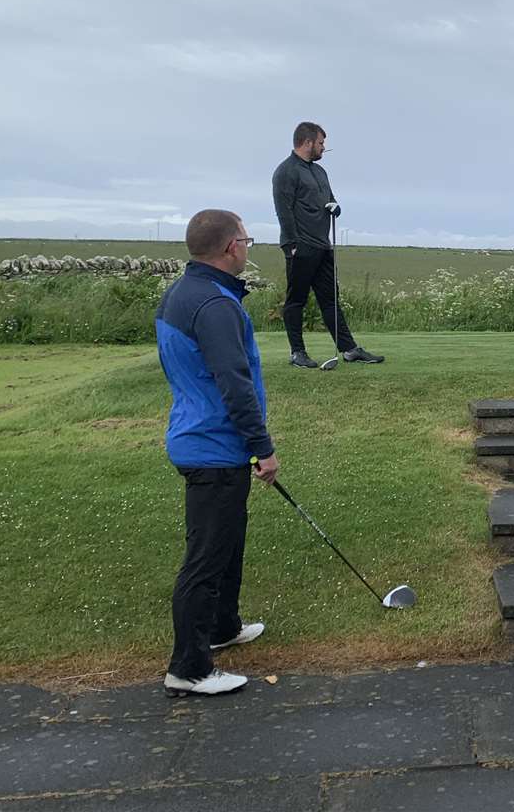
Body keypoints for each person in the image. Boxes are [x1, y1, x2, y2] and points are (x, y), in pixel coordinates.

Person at [156, 209, 279, 697]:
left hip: (205, 439)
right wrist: (262, 448)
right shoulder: (215, 304)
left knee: (228, 542)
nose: (248, 246)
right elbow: (235, 384)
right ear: (232, 247)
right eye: (247, 239)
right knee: (206, 559)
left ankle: (223, 627)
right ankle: (189, 667)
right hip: (212, 445)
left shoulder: (184, 292)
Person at [272, 121, 383, 368]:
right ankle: (297, 353)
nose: (324, 148)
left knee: (331, 298)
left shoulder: (320, 172)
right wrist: (291, 244)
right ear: (308, 142)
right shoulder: (286, 171)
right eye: (321, 143)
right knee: (296, 300)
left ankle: (349, 349)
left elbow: (330, 200)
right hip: (300, 246)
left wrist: (336, 207)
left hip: (322, 245)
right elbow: (284, 210)